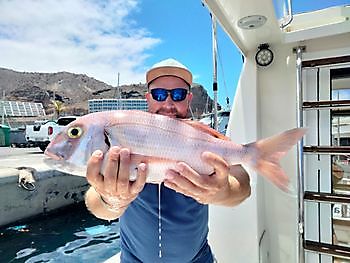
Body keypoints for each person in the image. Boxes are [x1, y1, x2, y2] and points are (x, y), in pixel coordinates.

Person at [84, 58, 251, 262]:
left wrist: (222, 191)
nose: (168, 103)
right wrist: (111, 200)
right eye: (159, 94)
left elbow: (242, 184)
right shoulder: (126, 137)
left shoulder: (208, 139)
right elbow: (96, 202)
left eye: (178, 95)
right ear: (148, 98)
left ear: (189, 99)